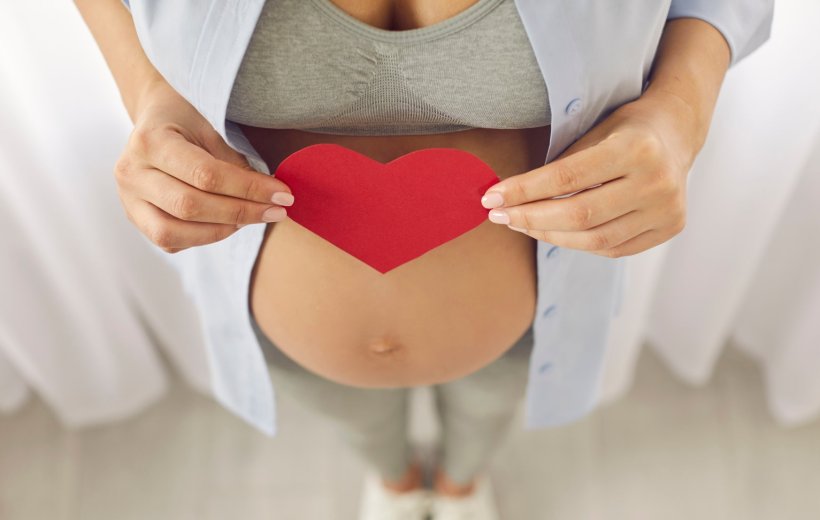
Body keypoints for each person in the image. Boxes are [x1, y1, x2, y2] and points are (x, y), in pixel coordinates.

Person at [74, 0, 773, 518]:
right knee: (355, 419)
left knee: (490, 407)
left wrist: (681, 109)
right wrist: (147, 92)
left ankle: (464, 480)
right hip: (286, 327)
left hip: (533, 311)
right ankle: (398, 479)